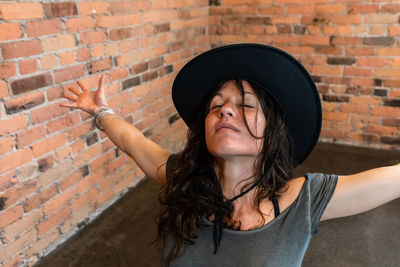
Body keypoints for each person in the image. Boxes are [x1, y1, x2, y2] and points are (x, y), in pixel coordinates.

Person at [60, 44, 400, 267]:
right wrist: (99, 111)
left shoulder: (303, 201)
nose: (225, 112)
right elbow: (130, 139)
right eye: (216, 105)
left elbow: (390, 179)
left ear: (273, 133)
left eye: (245, 105)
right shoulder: (184, 180)